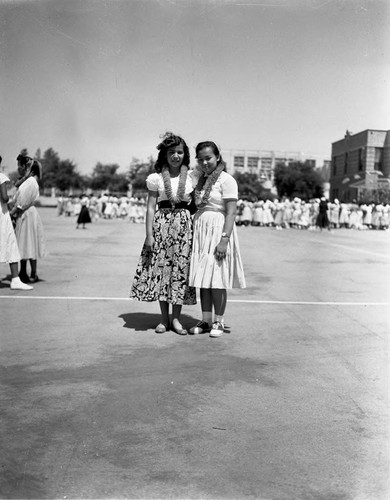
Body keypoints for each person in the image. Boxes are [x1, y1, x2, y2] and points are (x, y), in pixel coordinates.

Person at [130, 132, 196, 334]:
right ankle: (164, 319)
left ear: (184, 154)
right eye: (171, 153)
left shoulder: (192, 177)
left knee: (180, 271)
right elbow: (150, 208)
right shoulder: (156, 179)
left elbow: (197, 203)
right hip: (161, 226)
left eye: (179, 152)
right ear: (164, 156)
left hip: (184, 227)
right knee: (162, 271)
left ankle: (177, 319)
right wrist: (149, 235)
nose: (176, 156)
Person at [188, 141, 246, 338]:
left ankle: (219, 321)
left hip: (218, 228)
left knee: (217, 278)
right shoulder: (199, 180)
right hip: (201, 229)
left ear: (218, 157)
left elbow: (231, 213)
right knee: (203, 278)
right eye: (201, 159)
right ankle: (206, 320)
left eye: (208, 158)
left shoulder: (227, 180)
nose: (205, 162)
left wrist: (224, 240)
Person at [10, 152, 47, 283]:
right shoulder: (26, 182)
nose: (18, 168)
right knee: (25, 242)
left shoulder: (30, 182)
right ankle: (25, 271)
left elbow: (22, 203)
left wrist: (11, 213)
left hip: (26, 213)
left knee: (27, 241)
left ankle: (30, 273)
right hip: (24, 213)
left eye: (19, 166)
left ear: (25, 166)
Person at [0, 156, 33, 290]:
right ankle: (15, 279)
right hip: (1, 215)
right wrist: (9, 198)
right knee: (10, 242)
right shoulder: (0, 177)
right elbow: (4, 198)